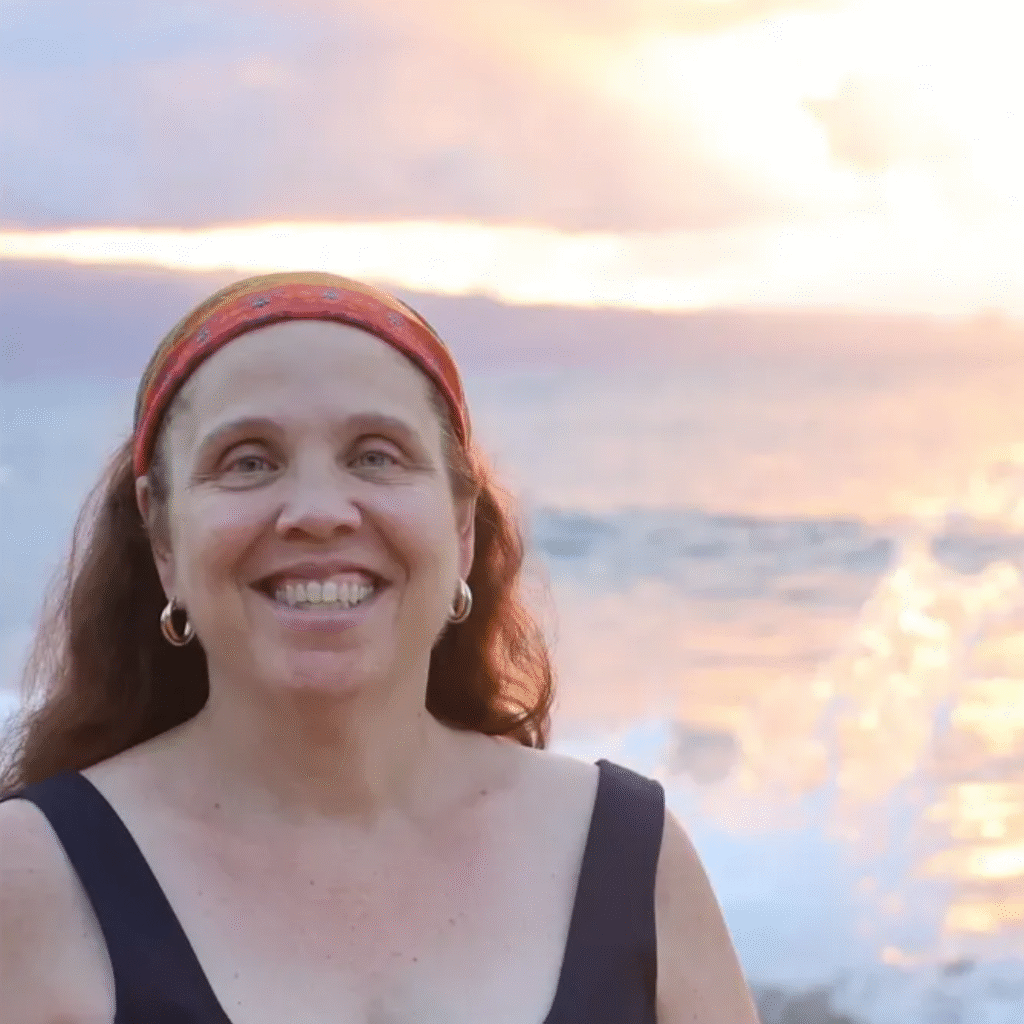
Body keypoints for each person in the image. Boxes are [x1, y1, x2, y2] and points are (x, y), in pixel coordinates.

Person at [0, 272, 759, 1024]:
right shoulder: (32, 879)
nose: (319, 511)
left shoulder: (631, 858)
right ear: (163, 537)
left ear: (461, 525)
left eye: (376, 455)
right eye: (248, 461)